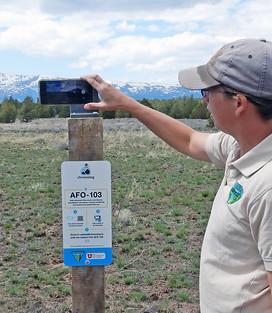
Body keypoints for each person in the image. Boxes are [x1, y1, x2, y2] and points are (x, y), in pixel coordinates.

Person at [82, 38, 272, 313]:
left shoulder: (267, 185)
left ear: (239, 103)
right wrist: (128, 105)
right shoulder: (240, 145)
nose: (204, 99)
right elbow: (191, 140)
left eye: (208, 91)